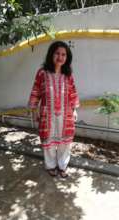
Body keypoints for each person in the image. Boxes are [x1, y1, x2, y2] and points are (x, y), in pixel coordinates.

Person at [28, 41, 80, 178]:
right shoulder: (42, 73)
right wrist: (34, 110)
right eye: (57, 53)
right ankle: (50, 165)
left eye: (63, 54)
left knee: (65, 143)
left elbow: (73, 93)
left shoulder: (68, 75)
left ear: (67, 57)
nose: (60, 57)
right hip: (47, 114)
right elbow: (36, 91)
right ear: (51, 54)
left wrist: (74, 110)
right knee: (48, 140)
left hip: (66, 114)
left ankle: (62, 166)